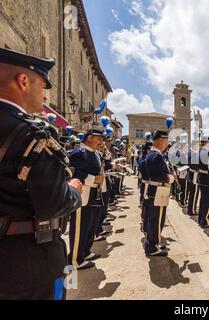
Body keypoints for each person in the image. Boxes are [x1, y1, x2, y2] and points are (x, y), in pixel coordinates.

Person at [0, 48, 82, 299]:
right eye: (42, 85)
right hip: (28, 262)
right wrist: (74, 191)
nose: (45, 95)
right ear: (23, 81)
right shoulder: (31, 133)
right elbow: (54, 202)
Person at [68, 128, 107, 270]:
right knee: (79, 227)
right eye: (99, 138)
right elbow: (74, 172)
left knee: (89, 225)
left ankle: (84, 252)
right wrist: (93, 179)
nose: (101, 142)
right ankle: (75, 259)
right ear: (89, 138)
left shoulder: (94, 153)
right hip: (82, 194)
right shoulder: (79, 152)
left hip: (92, 194)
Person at [141, 131, 174, 256]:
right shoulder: (156, 155)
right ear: (160, 140)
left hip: (155, 190)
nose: (167, 144)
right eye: (166, 141)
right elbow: (159, 175)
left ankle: (154, 242)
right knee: (157, 219)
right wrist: (171, 178)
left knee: (154, 218)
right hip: (158, 190)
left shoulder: (153, 154)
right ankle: (152, 246)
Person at [198, 136, 209, 228]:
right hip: (207, 178)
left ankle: (201, 219)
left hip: (201, 177)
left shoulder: (200, 151)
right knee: (207, 201)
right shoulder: (207, 152)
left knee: (203, 200)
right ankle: (205, 221)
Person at [187, 140, 200, 216]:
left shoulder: (190, 153)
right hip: (194, 174)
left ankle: (191, 209)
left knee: (192, 193)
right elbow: (195, 166)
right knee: (194, 193)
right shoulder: (194, 154)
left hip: (191, 174)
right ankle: (192, 210)